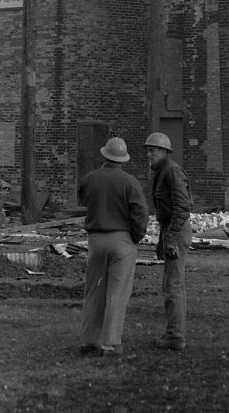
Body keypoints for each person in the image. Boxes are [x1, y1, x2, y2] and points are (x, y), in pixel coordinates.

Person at [77, 136, 149, 359]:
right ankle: (110, 343)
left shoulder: (89, 179)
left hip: (96, 239)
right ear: (123, 159)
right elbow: (141, 213)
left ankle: (89, 341)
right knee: (118, 292)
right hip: (122, 239)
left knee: (94, 290)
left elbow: (83, 201)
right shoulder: (130, 182)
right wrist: (135, 236)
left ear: (105, 155)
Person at [145, 130, 193, 352]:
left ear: (164, 151)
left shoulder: (172, 171)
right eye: (148, 151)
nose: (149, 155)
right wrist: (162, 239)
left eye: (152, 151)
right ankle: (174, 333)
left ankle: (175, 336)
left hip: (177, 231)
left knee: (173, 284)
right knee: (172, 283)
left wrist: (171, 237)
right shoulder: (161, 171)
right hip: (171, 229)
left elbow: (182, 207)